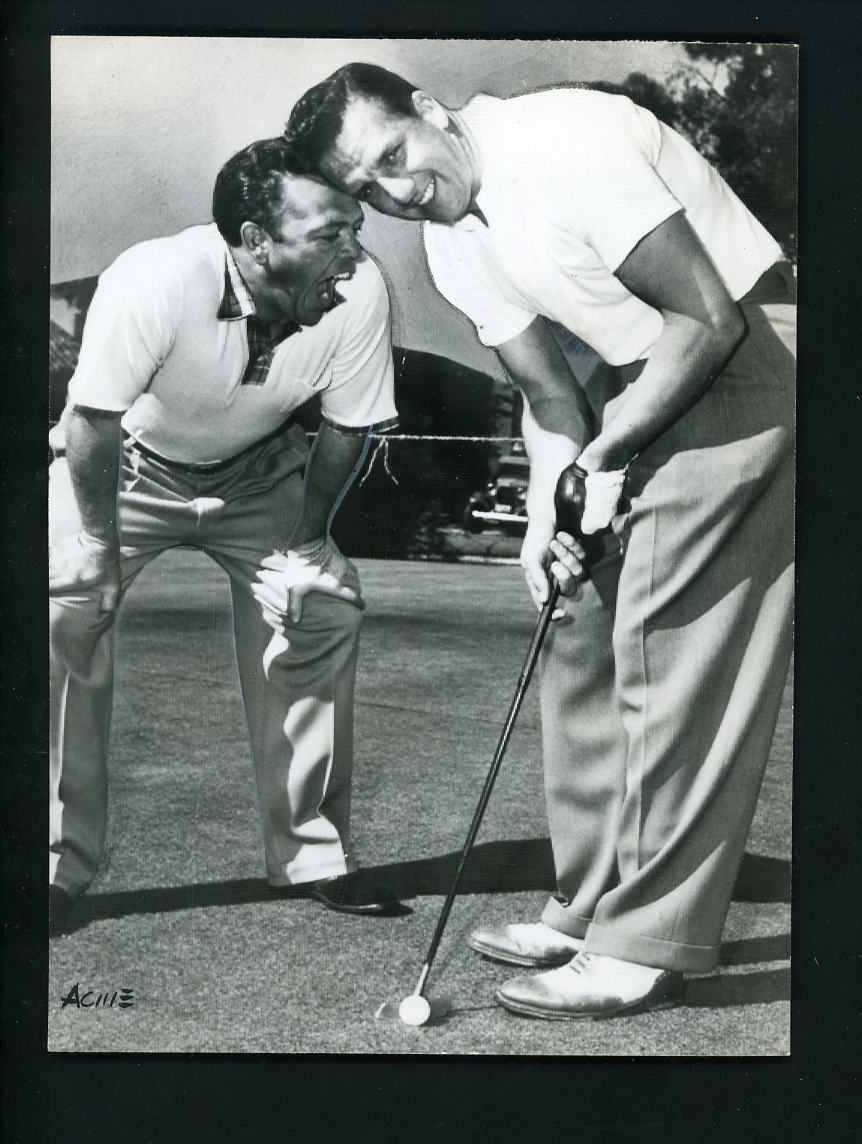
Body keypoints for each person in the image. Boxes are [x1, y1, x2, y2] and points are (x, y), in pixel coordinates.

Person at [285, 65, 796, 1019]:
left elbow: (708, 316)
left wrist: (605, 456)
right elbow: (552, 395)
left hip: (755, 354)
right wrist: (544, 520)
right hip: (646, 380)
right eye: (365, 188)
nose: (396, 193)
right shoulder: (454, 245)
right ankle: (592, 896)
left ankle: (647, 940)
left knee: (666, 627)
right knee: (579, 611)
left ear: (430, 111)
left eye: (394, 157)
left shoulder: (562, 146)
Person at [48, 136, 402, 936]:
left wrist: (310, 546)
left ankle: (312, 856)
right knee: (63, 607)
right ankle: (53, 870)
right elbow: (92, 420)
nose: (353, 252)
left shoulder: (362, 289)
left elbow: (346, 428)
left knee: (322, 605)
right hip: (128, 468)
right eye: (328, 235)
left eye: (355, 229)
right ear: (254, 241)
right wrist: (99, 552)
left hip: (261, 471)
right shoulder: (156, 276)